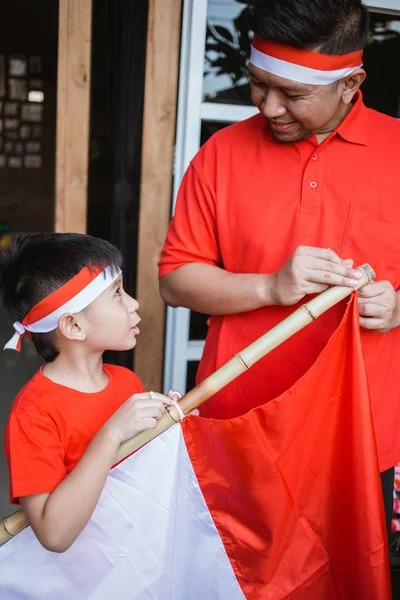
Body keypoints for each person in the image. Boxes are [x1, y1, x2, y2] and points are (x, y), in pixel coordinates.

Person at [159, 0, 400, 542]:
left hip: (358, 439)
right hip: (237, 428)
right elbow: (174, 281)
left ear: (350, 82)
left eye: (292, 94)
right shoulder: (221, 153)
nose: (268, 107)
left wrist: (399, 307)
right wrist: (270, 286)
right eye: (257, 84)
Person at [0, 233, 182, 553]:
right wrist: (110, 434)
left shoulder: (126, 381)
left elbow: (139, 473)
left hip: (133, 556)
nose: (134, 303)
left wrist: (168, 426)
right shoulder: (34, 414)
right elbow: (53, 534)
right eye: (117, 294)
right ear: (73, 326)